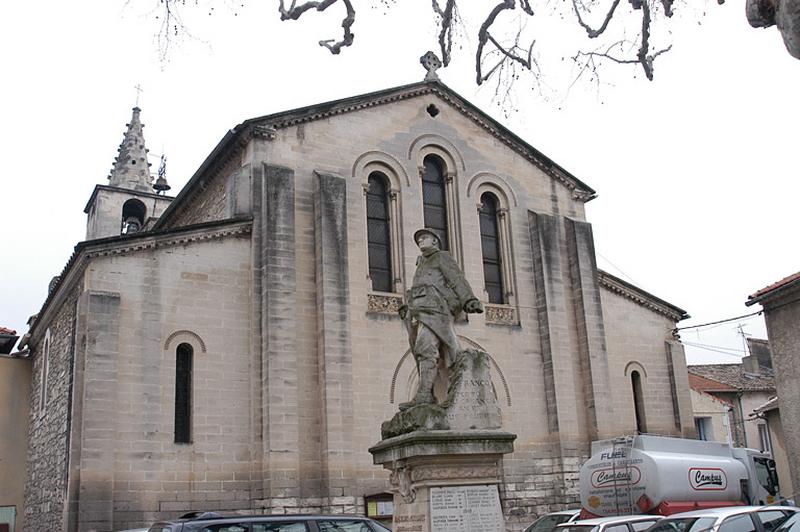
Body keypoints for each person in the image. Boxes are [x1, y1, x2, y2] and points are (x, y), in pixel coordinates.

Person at [398, 228, 483, 410]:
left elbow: (456, 279)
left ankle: (424, 395)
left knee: (425, 347)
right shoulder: (421, 262)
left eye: (424, 238)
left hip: (436, 310)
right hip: (419, 311)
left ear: (435, 241)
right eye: (418, 239)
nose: (420, 241)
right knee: (419, 350)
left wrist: (469, 299)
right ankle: (427, 394)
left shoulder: (442, 257)